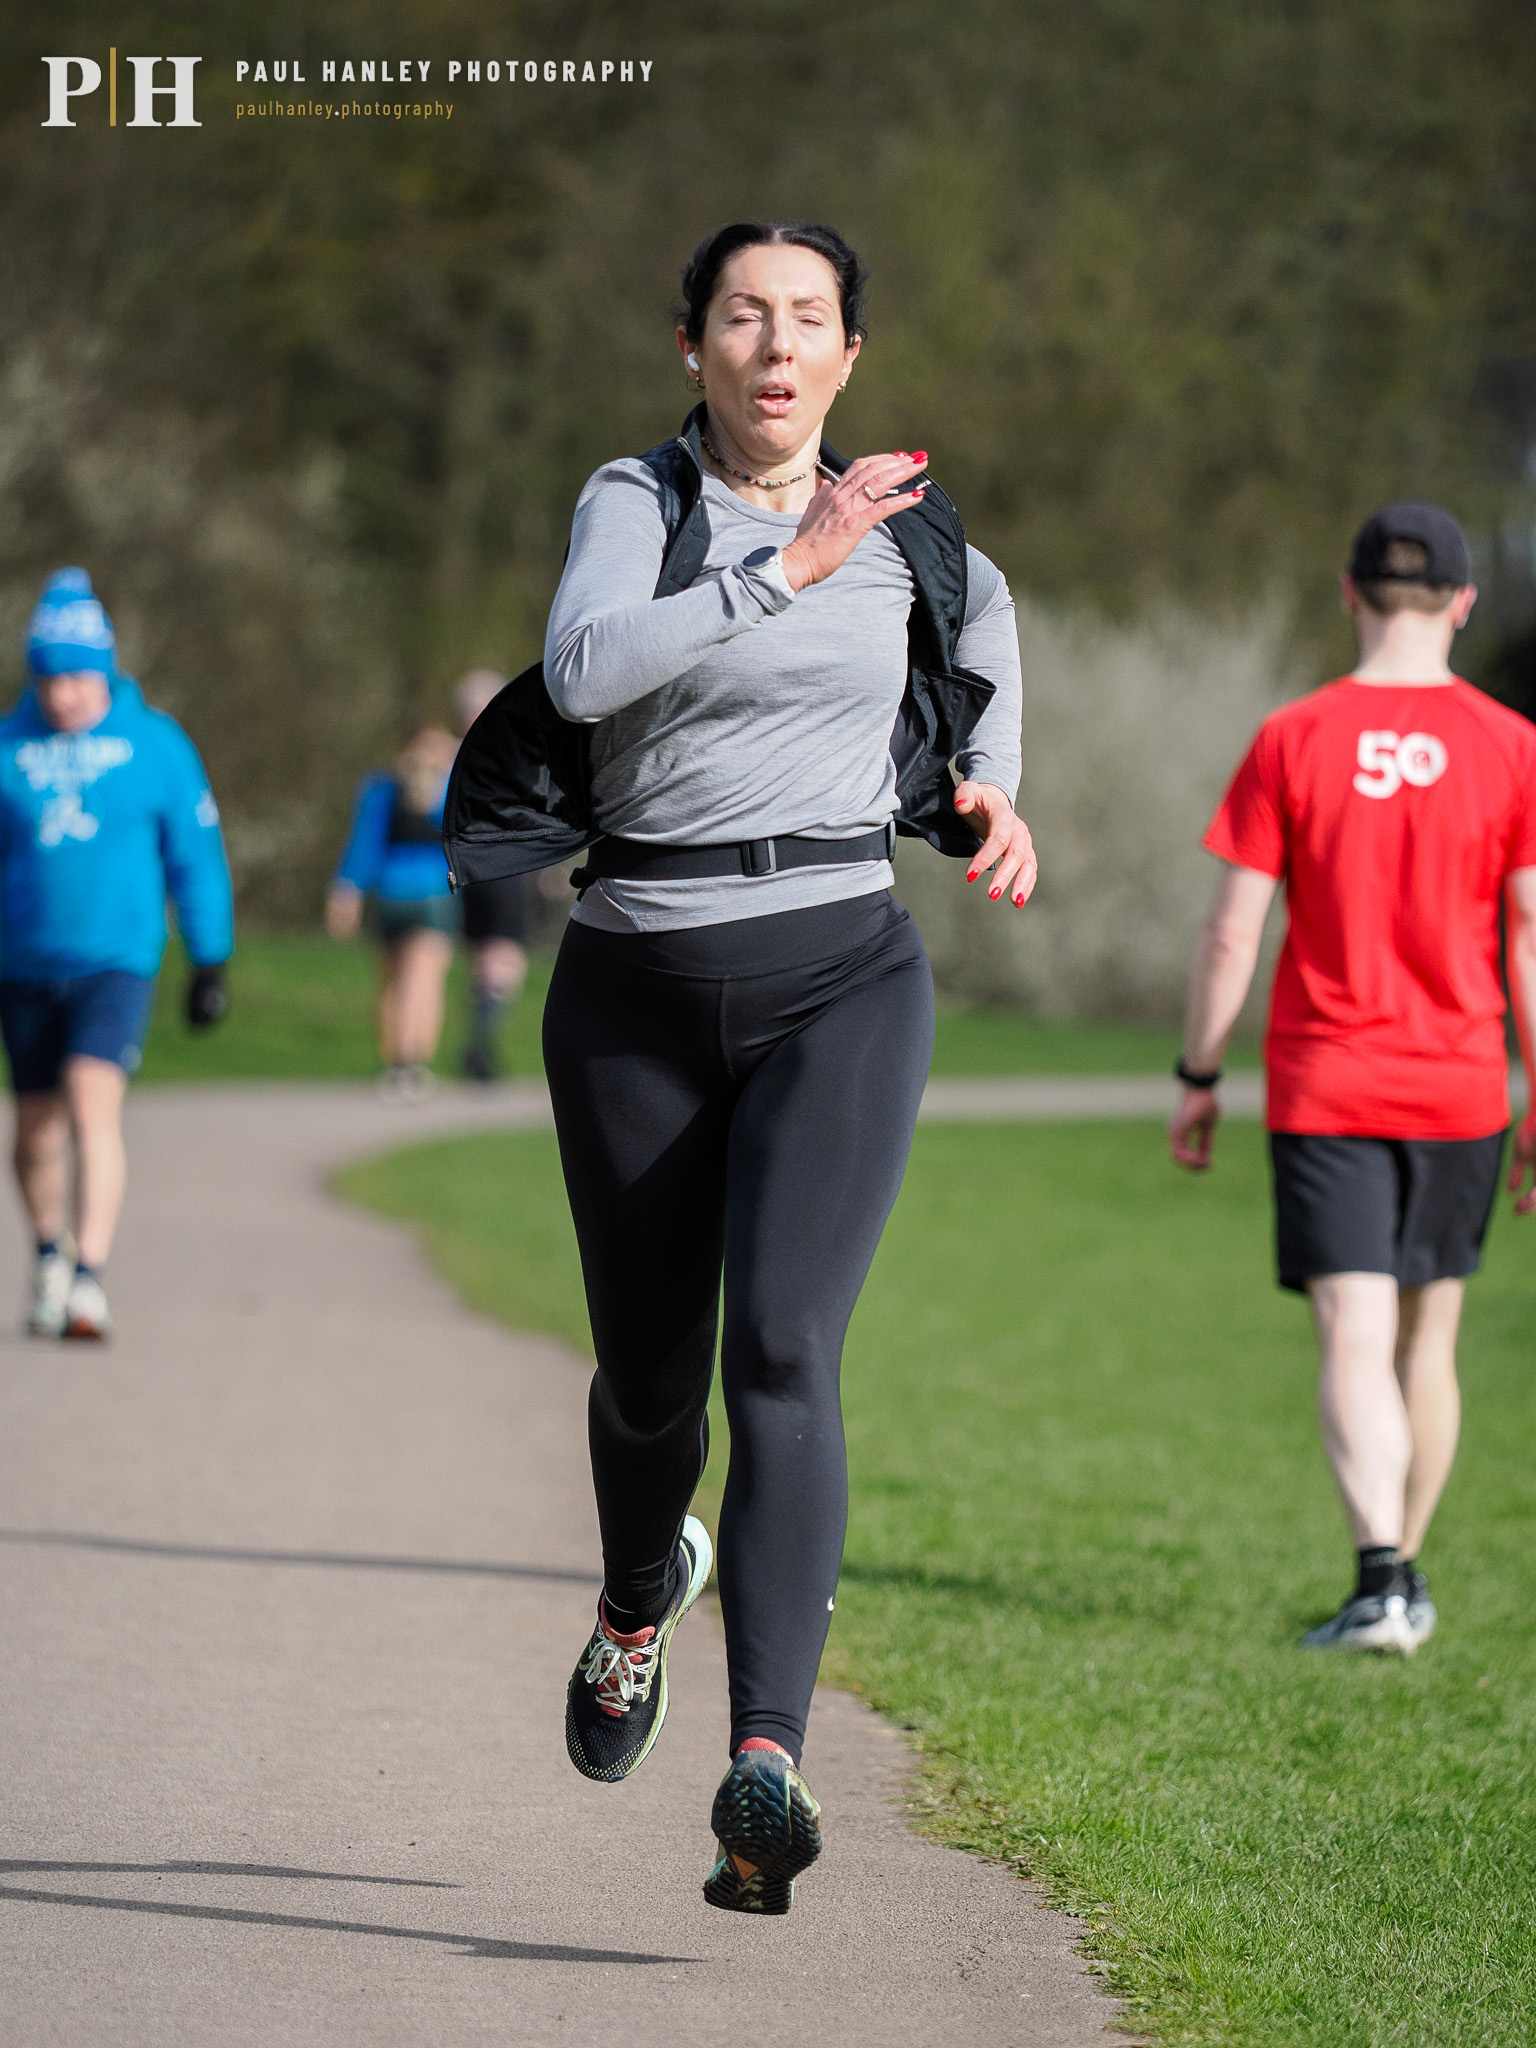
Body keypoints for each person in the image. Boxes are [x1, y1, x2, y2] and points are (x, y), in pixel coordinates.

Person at [531, 221, 1035, 1912]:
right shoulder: (637, 500)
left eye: (806, 318)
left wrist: (991, 784)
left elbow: (984, 637)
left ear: (844, 356)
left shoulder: (906, 520)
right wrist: (784, 566)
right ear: (692, 347)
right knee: (649, 1377)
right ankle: (628, 1601)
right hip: (635, 984)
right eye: (741, 315)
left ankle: (765, 1761)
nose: (773, 343)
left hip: (842, 964)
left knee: (789, 1347)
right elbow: (585, 665)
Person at [1169, 503, 1536, 1655]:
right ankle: (1399, 1578)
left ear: (1350, 593)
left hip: (1330, 1080)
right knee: (1427, 1342)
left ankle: (1383, 1574)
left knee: (1350, 1332)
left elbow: (1234, 933)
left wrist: (1198, 1071)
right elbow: (1528, 933)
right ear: (1463, 603)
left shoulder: (1295, 735)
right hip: (1465, 1085)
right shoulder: (1513, 744)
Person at [0, 568, 233, 1340]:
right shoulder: (9, 745)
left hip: (117, 959)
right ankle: (48, 1257)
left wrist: (210, 959)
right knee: (34, 1130)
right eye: (45, 677)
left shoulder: (155, 745)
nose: (58, 693)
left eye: (72, 676)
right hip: (25, 964)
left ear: (100, 672)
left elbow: (194, 854)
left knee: (92, 1103)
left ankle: (89, 1277)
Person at [326, 725, 459, 1100]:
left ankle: (395, 1066)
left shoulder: (381, 788)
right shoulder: (450, 790)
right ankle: (413, 1065)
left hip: (388, 892)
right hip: (433, 895)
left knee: (392, 983)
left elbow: (363, 845)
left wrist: (345, 892)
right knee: (424, 980)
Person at [451, 672, 530, 1081]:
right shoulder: (506, 754)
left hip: (466, 872)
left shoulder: (448, 757)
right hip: (502, 871)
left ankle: (478, 1044)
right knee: (504, 964)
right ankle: (480, 1049)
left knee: (483, 963)